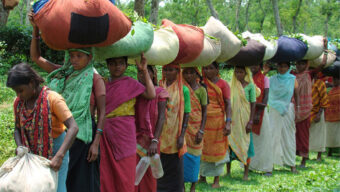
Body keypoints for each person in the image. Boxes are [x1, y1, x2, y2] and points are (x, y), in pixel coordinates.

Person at [29, 13, 105, 192]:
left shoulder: (95, 78)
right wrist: (35, 29)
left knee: (80, 181)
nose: (75, 60)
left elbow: (102, 112)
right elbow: (36, 58)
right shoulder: (63, 72)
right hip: (58, 133)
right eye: (72, 55)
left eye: (79, 56)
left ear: (89, 57)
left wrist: (96, 143)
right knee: (60, 178)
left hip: (82, 137)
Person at [7, 63, 79, 192]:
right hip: (31, 153)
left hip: (56, 150)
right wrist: (20, 147)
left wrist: (60, 155)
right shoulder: (18, 103)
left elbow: (73, 127)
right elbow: (17, 128)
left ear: (31, 83)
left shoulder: (53, 99)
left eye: (21, 90)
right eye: (16, 91)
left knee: (57, 187)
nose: (18, 95)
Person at [100, 54, 155, 192]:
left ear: (126, 65)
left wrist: (143, 71)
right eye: (113, 63)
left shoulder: (131, 83)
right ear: (108, 65)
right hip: (106, 131)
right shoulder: (103, 83)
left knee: (126, 168)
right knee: (106, 170)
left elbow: (151, 94)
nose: (117, 66)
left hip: (125, 132)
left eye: (120, 63)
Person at [293, 38, 328, 167]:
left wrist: (324, 49)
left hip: (306, 110)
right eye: (298, 64)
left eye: (302, 64)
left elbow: (322, 65)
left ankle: (303, 159)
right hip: (294, 109)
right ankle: (294, 157)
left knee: (304, 134)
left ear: (307, 65)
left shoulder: (310, 74)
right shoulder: (292, 75)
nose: (299, 66)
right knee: (294, 134)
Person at [157, 63, 190, 192]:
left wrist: (182, 135)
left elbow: (186, 113)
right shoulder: (159, 87)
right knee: (160, 164)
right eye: (165, 70)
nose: (167, 73)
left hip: (175, 134)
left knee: (176, 167)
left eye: (171, 70)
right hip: (161, 133)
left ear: (177, 72)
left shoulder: (184, 90)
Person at [135, 65, 169, 192]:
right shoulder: (135, 91)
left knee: (149, 174)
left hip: (152, 140)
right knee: (134, 172)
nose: (143, 75)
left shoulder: (160, 92)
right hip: (135, 138)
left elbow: (161, 118)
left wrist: (155, 140)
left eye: (146, 72)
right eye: (140, 73)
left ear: (153, 74)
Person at [199, 62, 231, 188]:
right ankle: (202, 176)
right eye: (205, 68)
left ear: (217, 69)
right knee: (203, 148)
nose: (208, 71)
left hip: (217, 122)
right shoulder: (201, 83)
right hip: (203, 121)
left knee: (218, 149)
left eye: (211, 68)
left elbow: (228, 103)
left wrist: (228, 122)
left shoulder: (223, 84)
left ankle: (216, 180)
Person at [227, 66, 256, 181]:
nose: (238, 74)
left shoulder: (250, 86)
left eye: (241, 72)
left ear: (245, 73)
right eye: (236, 72)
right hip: (233, 120)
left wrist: (251, 121)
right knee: (229, 143)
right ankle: (228, 171)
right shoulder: (231, 86)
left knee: (246, 144)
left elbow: (253, 103)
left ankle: (246, 173)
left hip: (245, 119)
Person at [269, 62, 299, 173]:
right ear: (277, 66)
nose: (282, 68)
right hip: (274, 109)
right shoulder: (272, 79)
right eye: (280, 65)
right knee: (273, 135)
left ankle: (292, 164)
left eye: (284, 66)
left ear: (288, 67)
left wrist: (298, 108)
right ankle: (270, 164)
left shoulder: (292, 79)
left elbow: (296, 95)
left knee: (289, 136)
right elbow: (265, 90)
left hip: (288, 110)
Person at [182, 67, 208, 192]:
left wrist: (201, 130)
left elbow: (205, 111)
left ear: (196, 74)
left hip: (196, 127)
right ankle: (181, 185)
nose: (188, 75)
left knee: (195, 155)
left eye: (191, 72)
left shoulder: (202, 90)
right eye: (185, 72)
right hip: (183, 126)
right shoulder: (181, 88)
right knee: (182, 155)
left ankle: (193, 185)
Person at [249, 64, 273, 176]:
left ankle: (267, 167)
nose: (252, 67)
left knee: (264, 140)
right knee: (251, 140)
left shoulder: (265, 79)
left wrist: (258, 113)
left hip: (261, 113)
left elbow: (266, 97)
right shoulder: (247, 78)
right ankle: (251, 165)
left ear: (260, 66)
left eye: (255, 65)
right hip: (248, 112)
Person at [309, 73, 329, 161]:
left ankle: (319, 156)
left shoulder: (320, 83)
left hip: (318, 111)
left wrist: (319, 114)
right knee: (308, 134)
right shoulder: (306, 82)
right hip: (308, 112)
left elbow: (324, 99)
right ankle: (306, 155)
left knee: (319, 134)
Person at [325, 74, 340, 156]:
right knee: (330, 135)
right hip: (330, 116)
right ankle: (329, 151)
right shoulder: (330, 91)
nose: (335, 81)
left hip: (338, 116)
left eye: (337, 79)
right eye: (334, 80)